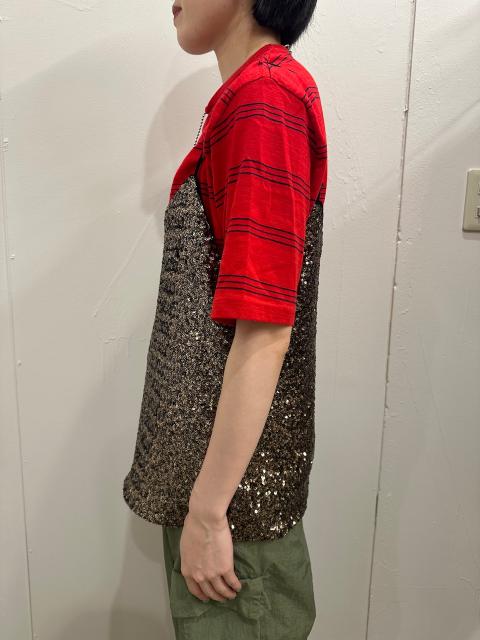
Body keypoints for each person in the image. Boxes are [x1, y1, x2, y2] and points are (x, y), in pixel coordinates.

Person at [123, 1, 328, 638]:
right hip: (222, 493)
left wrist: (209, 515)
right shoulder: (248, 99)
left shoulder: (266, 99)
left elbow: (266, 330)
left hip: (235, 514)